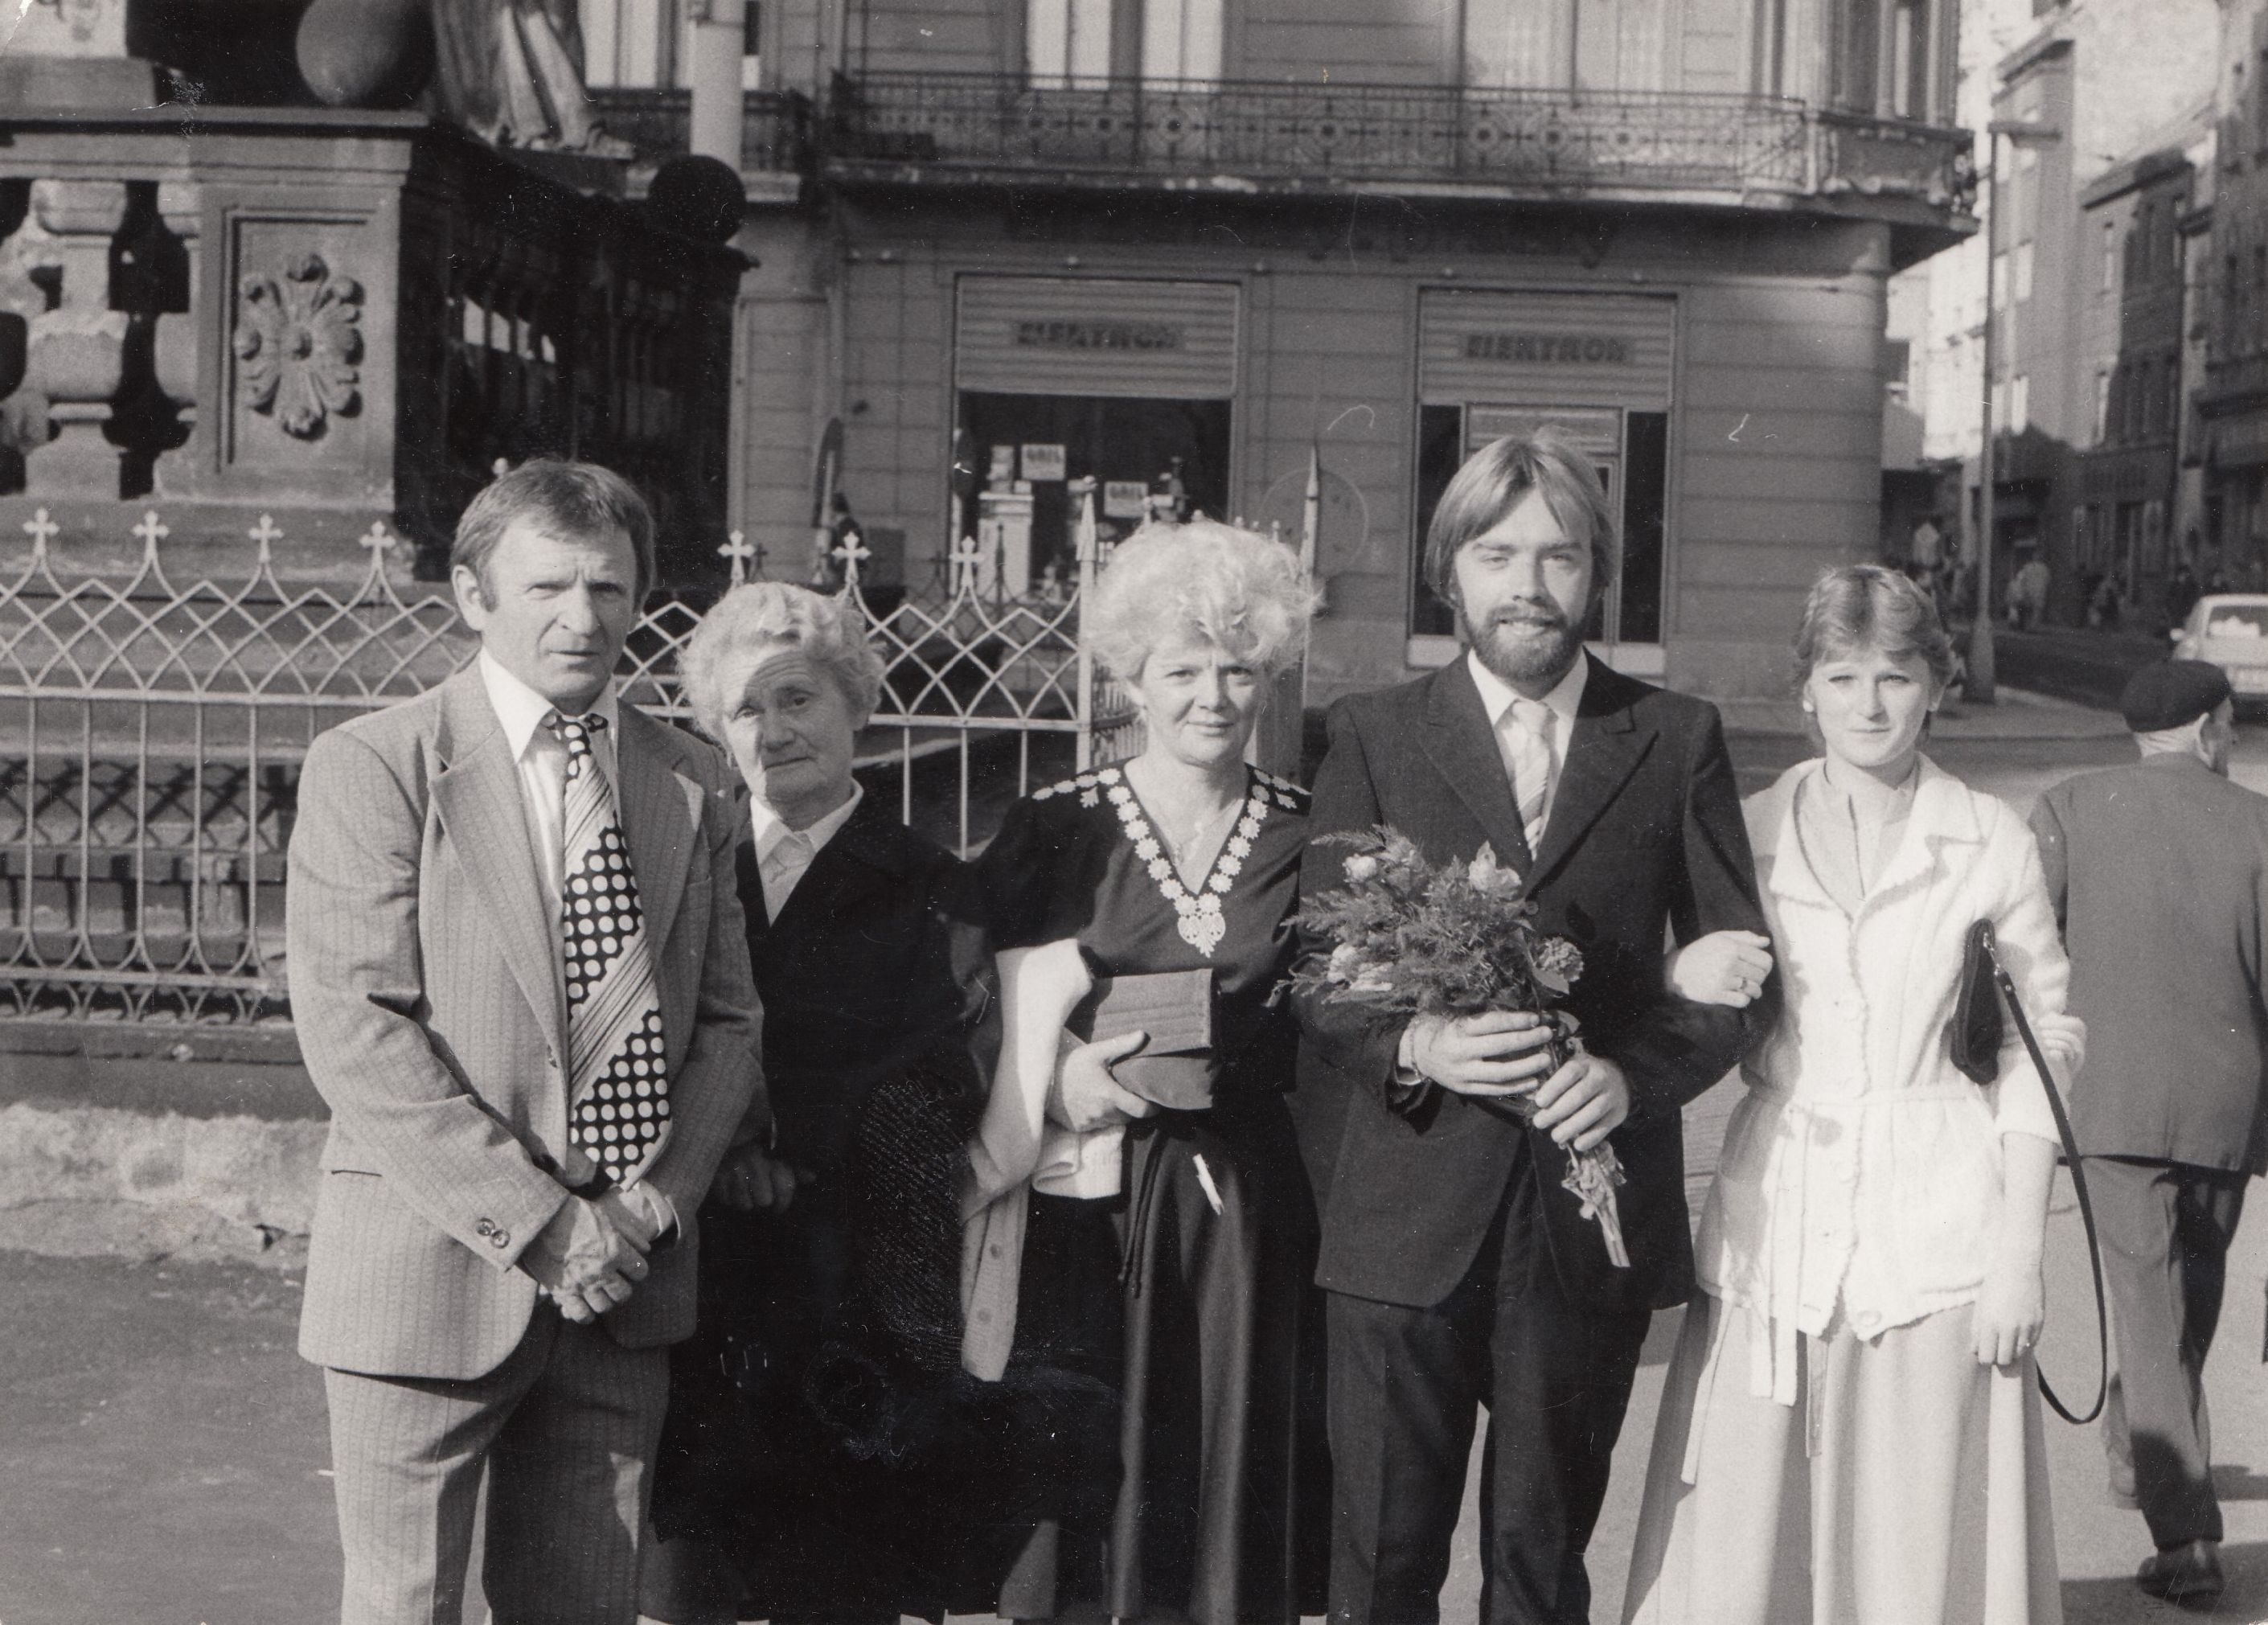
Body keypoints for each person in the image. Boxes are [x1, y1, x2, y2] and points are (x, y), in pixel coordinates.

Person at [1293, 427, 1775, 1625]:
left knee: (1540, 1562)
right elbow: (1316, 971)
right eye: (1497, 555)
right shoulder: (1372, 731)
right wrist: (1418, 1045)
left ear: (1596, 572)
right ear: (1447, 572)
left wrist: (1631, 1077)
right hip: (1404, 1218)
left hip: (1580, 1216)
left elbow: (1737, 975)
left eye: (1559, 556)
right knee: (1380, 1563)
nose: (1528, 585)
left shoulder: (1673, 735)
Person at [286, 459, 761, 1624]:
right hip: (428, 1272)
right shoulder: (379, 764)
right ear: (472, 594)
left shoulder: (691, 778)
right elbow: (358, 1028)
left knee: (585, 1605)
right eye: (547, 586)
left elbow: (729, 1021)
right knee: (405, 1605)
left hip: (626, 1283)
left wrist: (655, 1203)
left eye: (608, 587)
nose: (581, 617)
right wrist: (546, 1224)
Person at [1623, 564, 2087, 1625]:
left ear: (1935, 686)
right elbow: (1663, 984)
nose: (1868, 706)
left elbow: (2038, 1048)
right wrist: (1674, 970)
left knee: (1913, 1528)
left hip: (1937, 1222)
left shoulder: (1989, 837)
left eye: (1894, 677)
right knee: (1753, 1530)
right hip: (1777, 1215)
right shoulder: (1746, 828)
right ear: (1806, 689)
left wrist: (2020, 1253)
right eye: (1842, 677)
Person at [962, 517, 1328, 1625]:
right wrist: (1051, 1079)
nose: (1213, 696)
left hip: (1247, 1213)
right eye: (1182, 669)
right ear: (1131, 680)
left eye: (1239, 668)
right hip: (1087, 1202)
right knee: (1088, 1476)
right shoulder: (1056, 825)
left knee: (1224, 1481)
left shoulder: (1310, 835)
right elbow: (961, 999)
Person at [640, 582, 990, 1625]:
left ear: (855, 706)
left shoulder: (931, 882)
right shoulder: (684, 865)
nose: (773, 730)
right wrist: (721, 1145)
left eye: (797, 699)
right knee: (689, 1584)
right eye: (745, 709)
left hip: (849, 1286)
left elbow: (944, 1062)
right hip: (699, 1277)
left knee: (835, 1586)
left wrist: (785, 1144)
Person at [2028, 659, 2268, 1607]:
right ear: (2209, 728)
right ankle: (2182, 1520)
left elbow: (2026, 953)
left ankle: (2163, 1492)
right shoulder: (2259, 821)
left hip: (2110, 1098)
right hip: (2225, 1105)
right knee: (2182, 1296)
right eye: (2229, 725)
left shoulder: (2067, 807)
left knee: (2151, 1301)